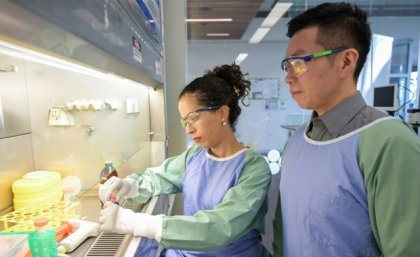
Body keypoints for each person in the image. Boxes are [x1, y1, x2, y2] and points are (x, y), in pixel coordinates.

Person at [273, 2, 420, 257]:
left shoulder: (389, 143)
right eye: (288, 64)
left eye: (299, 62)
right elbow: (283, 238)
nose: (289, 77)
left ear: (346, 61)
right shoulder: (296, 142)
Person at [99, 63, 272, 257]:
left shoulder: (254, 168)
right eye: (184, 121)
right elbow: (159, 178)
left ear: (222, 113)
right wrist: (128, 185)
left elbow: (219, 227)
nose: (188, 129)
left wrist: (136, 222)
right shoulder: (195, 156)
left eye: (193, 118)